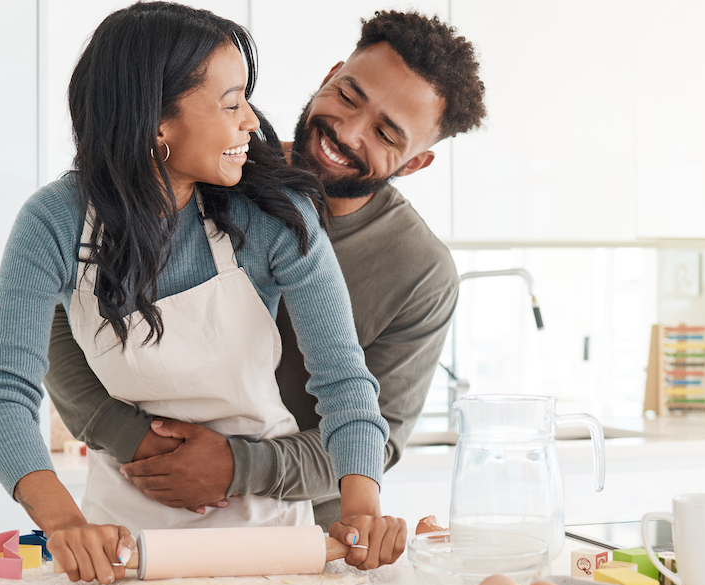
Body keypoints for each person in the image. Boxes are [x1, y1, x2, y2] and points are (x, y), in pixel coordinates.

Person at [0, 2, 405, 584]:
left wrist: (362, 515)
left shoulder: (275, 218)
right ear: (157, 122)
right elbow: (4, 394)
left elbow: (345, 382)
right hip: (123, 544)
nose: (252, 121)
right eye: (231, 103)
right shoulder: (54, 222)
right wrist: (66, 527)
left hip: (268, 541)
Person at [46, 10, 485, 529]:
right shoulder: (203, 164)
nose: (346, 132)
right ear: (330, 75)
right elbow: (60, 317)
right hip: (143, 496)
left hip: (301, 535)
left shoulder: (420, 273)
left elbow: (375, 435)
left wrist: (238, 467)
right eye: (348, 96)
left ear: (414, 163)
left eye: (386, 134)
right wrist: (131, 439)